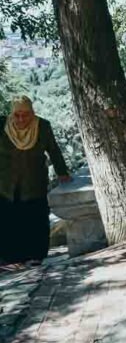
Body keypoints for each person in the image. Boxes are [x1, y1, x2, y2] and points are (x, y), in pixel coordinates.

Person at [0, 96, 71, 264]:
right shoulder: (1, 125)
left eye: (25, 115)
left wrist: (62, 173)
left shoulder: (42, 126)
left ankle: (36, 255)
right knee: (8, 220)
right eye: (17, 115)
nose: (21, 119)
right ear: (11, 113)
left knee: (34, 219)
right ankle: (10, 259)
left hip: (34, 182)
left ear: (32, 112)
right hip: (5, 184)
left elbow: (53, 150)